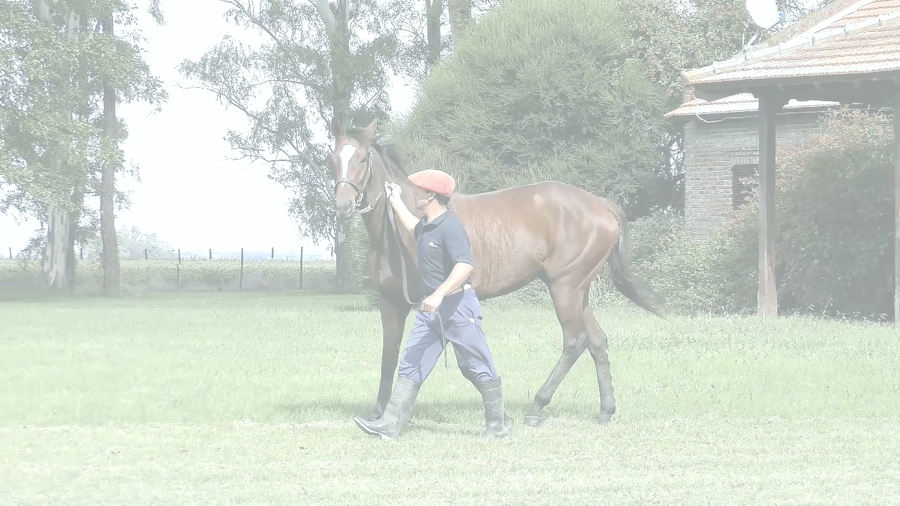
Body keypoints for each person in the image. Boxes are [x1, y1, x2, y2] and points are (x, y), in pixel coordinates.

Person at [352, 169, 512, 440]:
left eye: (418, 190)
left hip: (458, 307)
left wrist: (438, 294)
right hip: (431, 313)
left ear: (432, 195)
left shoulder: (450, 227)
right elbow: (412, 226)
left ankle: (498, 425)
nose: (414, 192)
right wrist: (395, 200)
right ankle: (389, 425)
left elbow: (464, 265)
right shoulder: (427, 226)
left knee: (478, 365)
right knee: (412, 362)